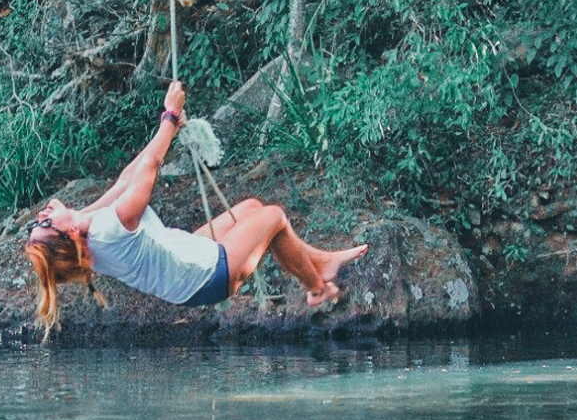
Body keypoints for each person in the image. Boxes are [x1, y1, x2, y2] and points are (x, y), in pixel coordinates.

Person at [25, 81, 368, 338]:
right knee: (273, 216)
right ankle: (317, 288)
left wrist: (170, 127)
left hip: (183, 260)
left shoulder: (85, 229)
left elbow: (127, 177)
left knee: (251, 208)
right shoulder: (108, 231)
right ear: (68, 233)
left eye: (37, 222)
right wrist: (170, 116)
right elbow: (149, 168)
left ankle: (322, 261)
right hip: (205, 277)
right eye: (45, 223)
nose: (42, 214)